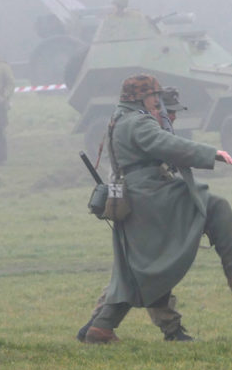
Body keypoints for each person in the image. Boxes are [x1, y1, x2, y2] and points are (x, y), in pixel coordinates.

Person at [81, 74, 232, 343]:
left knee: (145, 268)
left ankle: (101, 327)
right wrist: (211, 153)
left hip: (137, 196)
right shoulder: (138, 121)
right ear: (142, 97)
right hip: (149, 196)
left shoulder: (120, 119)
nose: (157, 104)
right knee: (215, 206)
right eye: (153, 97)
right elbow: (167, 144)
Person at [77, 86, 195, 342]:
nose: (173, 117)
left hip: (143, 205)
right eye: (169, 112)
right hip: (139, 206)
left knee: (130, 272)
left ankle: (96, 324)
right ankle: (171, 329)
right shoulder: (143, 132)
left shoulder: (147, 129)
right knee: (153, 269)